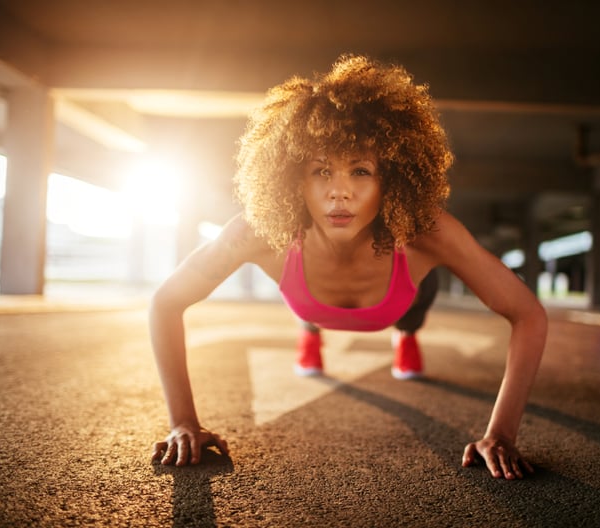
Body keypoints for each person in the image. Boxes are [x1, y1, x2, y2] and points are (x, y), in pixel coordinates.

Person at [149, 54, 547, 480]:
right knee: (309, 307)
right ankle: (311, 330)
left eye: (360, 170)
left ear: (390, 178)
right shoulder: (258, 233)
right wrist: (183, 422)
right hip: (308, 298)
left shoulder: (428, 233)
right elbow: (165, 303)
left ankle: (407, 335)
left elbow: (528, 315)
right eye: (321, 171)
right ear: (293, 179)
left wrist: (501, 434)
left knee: (417, 305)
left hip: (404, 299)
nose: (339, 192)